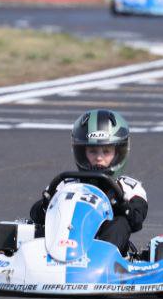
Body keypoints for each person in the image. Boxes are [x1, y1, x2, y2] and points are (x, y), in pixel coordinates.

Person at [29, 109, 148, 257]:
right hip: (63, 243)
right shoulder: (65, 183)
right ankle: (42, 260)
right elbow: (36, 214)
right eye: (93, 151)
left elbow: (137, 219)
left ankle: (100, 260)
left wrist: (122, 205)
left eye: (106, 151)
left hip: (104, 255)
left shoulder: (129, 187)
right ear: (81, 151)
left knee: (121, 223)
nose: (99, 158)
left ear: (118, 152)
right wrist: (45, 205)